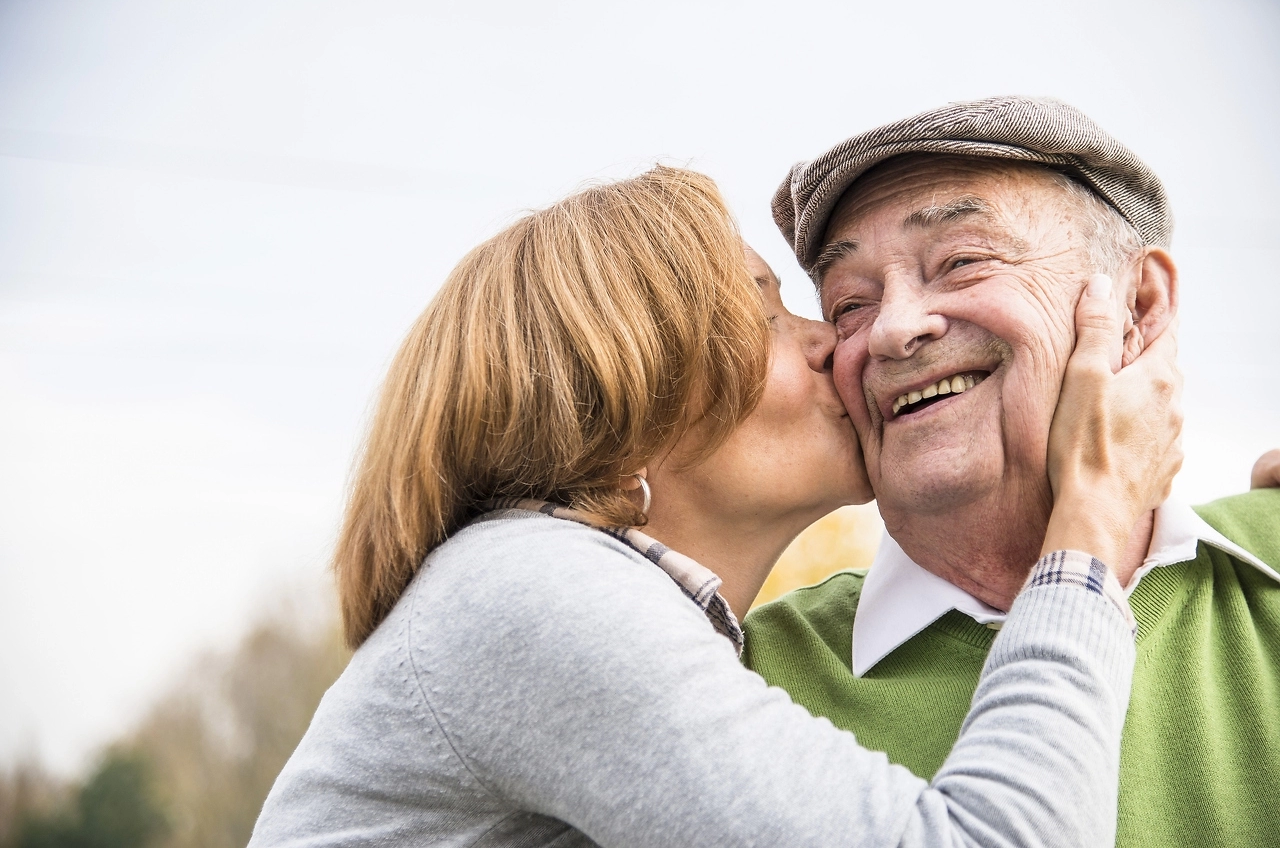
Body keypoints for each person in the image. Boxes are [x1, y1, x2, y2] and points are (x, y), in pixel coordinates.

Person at [248, 166, 1182, 848]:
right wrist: (1093, 518)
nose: (839, 341)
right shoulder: (531, 595)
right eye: (768, 319)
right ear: (624, 417)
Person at [745, 96, 1280, 848]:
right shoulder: (741, 679)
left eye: (962, 262)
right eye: (849, 305)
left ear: (1140, 305)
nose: (895, 329)